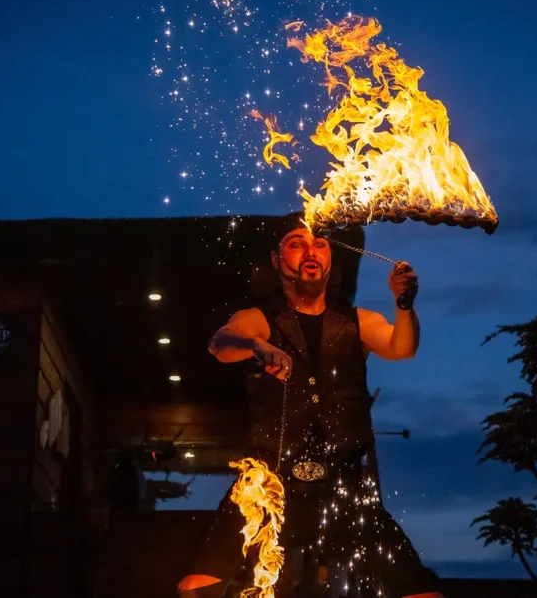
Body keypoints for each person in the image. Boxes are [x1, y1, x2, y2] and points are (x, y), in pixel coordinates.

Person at [178, 212, 443, 598]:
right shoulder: (260, 319)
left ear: (330, 259)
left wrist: (403, 304)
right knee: (197, 587)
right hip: (270, 483)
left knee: (419, 592)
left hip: (346, 486)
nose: (310, 251)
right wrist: (257, 345)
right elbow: (221, 343)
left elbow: (402, 347)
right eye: (296, 243)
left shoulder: (359, 321)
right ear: (276, 260)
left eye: (319, 244)